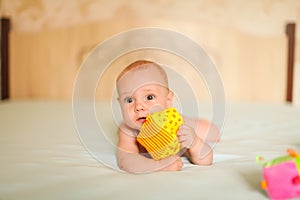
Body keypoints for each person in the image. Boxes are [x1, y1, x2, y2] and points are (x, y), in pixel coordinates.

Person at [116, 60, 220, 173]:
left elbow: (206, 161)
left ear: (168, 100)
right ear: (120, 104)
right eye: (129, 100)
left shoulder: (178, 125)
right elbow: (125, 160)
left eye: (149, 97)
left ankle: (208, 128)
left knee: (211, 132)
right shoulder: (128, 130)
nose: (139, 107)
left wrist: (195, 143)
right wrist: (159, 165)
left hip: (186, 126)